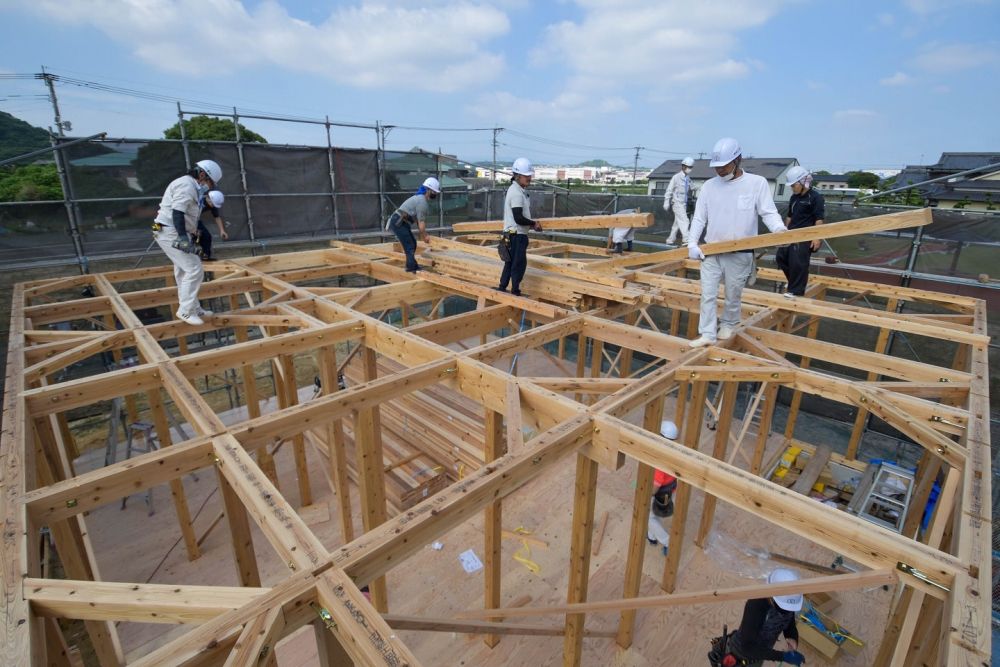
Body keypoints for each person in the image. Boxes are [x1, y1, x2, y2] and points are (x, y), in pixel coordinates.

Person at [687, 138, 787, 348]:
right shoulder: (709, 186)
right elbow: (699, 218)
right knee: (708, 294)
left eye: (724, 166)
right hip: (712, 250)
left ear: (737, 160)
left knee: (733, 293)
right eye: (717, 167)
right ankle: (707, 333)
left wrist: (779, 231)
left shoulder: (756, 183)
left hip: (740, 252)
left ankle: (729, 323)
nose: (720, 171)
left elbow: (768, 212)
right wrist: (692, 243)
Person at [153, 159, 222, 326]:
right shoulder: (186, 185)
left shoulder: (193, 187)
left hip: (171, 230)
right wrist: (182, 237)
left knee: (184, 270)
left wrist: (189, 234)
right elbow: (177, 212)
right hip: (169, 230)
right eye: (209, 182)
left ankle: (193, 307)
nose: (209, 186)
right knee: (194, 268)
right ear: (202, 174)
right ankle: (185, 310)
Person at [721, 568, 806, 666]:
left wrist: (792, 637)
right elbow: (747, 647)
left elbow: (789, 622)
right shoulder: (756, 606)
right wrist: (782, 656)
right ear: (772, 596)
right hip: (740, 655)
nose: (787, 611)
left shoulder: (786, 602)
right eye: (784, 607)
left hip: (761, 653)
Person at [776, 166, 825, 299]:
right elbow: (789, 217)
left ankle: (796, 291)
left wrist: (817, 238)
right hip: (791, 234)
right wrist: (784, 233)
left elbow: (819, 219)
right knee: (781, 257)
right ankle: (794, 284)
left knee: (798, 262)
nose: (792, 188)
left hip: (805, 236)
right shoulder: (794, 198)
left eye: (794, 185)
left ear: (804, 182)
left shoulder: (815, 198)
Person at [498, 158, 542, 295]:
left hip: (509, 233)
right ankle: (515, 290)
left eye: (530, 175)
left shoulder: (516, 190)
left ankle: (502, 287)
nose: (529, 178)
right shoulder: (516, 193)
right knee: (518, 263)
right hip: (516, 235)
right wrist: (533, 223)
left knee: (509, 262)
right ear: (517, 176)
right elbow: (518, 217)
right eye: (526, 175)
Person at [387, 177, 440, 272]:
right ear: (428, 190)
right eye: (434, 192)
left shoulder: (420, 199)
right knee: (410, 245)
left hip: (401, 221)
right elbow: (421, 223)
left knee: (412, 243)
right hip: (398, 222)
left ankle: (413, 266)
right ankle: (411, 268)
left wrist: (422, 232)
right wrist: (425, 236)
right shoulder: (422, 202)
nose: (435, 194)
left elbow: (416, 219)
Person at [647, 420, 679, 555]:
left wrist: (648, 494)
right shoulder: (674, 451)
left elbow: (657, 483)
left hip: (659, 492)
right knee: (655, 515)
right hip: (669, 490)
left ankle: (667, 541)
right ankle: (652, 537)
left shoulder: (660, 457)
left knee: (648, 517)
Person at [664, 156, 695, 245]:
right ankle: (686, 239)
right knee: (685, 220)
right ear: (683, 166)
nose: (689, 169)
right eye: (688, 167)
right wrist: (666, 202)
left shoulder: (687, 178)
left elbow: (693, 187)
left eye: (691, 167)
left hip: (683, 203)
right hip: (677, 203)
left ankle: (670, 240)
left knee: (677, 223)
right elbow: (669, 190)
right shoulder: (676, 177)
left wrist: (701, 189)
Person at [196, 190, 228, 261]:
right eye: (212, 204)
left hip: (196, 220)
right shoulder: (198, 200)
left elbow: (217, 217)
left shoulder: (212, 204)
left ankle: (206, 256)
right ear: (208, 198)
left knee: (207, 236)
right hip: (187, 219)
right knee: (192, 238)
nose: (213, 206)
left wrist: (222, 230)